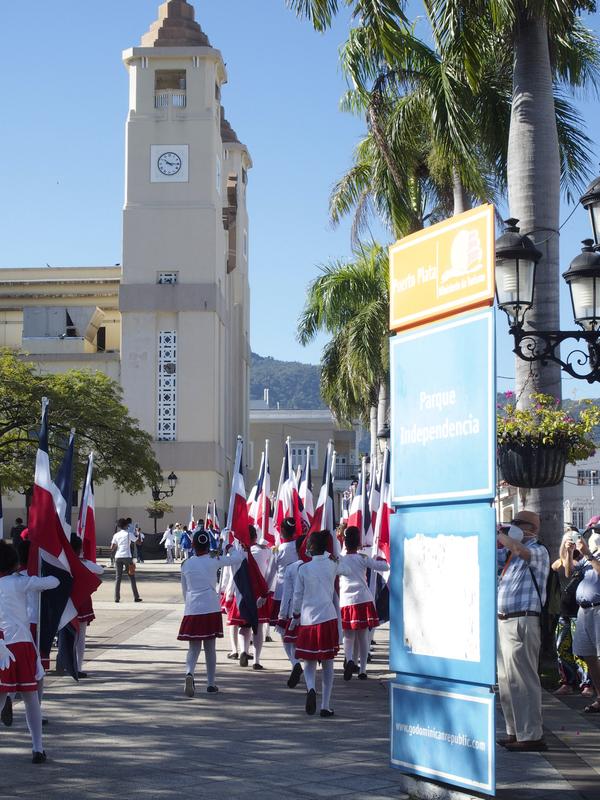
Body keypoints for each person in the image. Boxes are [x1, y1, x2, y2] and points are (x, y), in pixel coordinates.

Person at [0, 540, 59, 763]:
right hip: (22, 645)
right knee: (31, 699)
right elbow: (52, 582)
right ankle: (37, 747)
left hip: (1, 645)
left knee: (2, 695)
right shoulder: (20, 582)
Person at [496, 510, 550, 751]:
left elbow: (521, 550)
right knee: (506, 680)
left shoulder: (538, 550)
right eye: (512, 523)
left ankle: (531, 734)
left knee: (523, 679)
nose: (513, 527)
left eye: (518, 524)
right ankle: (514, 730)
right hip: (505, 621)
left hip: (523, 621)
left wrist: (499, 533)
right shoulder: (509, 554)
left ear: (533, 528)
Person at [290, 530, 352, 717]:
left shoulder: (304, 569)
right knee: (328, 663)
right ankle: (325, 705)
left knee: (308, 661)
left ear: (309, 548)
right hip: (327, 617)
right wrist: (333, 557)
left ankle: (310, 688)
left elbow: (297, 596)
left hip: (308, 618)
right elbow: (347, 571)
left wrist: (295, 614)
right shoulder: (332, 564)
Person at [179, 530, 244, 696]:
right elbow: (238, 558)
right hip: (210, 606)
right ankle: (210, 683)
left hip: (193, 607)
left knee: (193, 648)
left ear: (193, 545)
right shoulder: (214, 560)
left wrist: (190, 606)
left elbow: (184, 591)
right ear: (208, 545)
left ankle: (189, 673)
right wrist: (229, 546)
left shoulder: (186, 564)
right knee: (210, 648)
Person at [339, 526, 389, 681]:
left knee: (348, 636)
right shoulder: (363, 558)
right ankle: (363, 670)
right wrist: (382, 556)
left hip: (347, 601)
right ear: (358, 543)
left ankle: (349, 659)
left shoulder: (340, 560)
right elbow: (384, 566)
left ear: (345, 543)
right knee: (363, 637)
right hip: (364, 599)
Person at [551, 530, 593, 697]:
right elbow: (566, 571)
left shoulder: (586, 562)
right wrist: (567, 552)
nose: (572, 542)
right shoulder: (559, 562)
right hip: (563, 613)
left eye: (575, 539)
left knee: (581, 651)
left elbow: (573, 569)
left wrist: (579, 549)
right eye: (568, 540)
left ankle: (587, 684)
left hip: (579, 613)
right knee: (562, 648)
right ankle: (567, 682)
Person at [565, 531, 600, 713]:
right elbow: (568, 571)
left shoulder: (592, 556)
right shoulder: (588, 557)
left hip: (598, 609)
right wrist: (569, 552)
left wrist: (588, 554)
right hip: (583, 611)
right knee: (588, 656)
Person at [69, 534, 104, 677]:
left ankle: (67, 663)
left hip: (66, 602)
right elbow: (100, 570)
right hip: (81, 602)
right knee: (80, 636)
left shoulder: (62, 562)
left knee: (66, 635)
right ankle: (78, 666)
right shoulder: (83, 563)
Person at [277, 535, 306, 688]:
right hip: (312, 611)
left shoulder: (292, 568)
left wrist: (282, 614)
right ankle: (305, 674)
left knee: (287, 640)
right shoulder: (317, 566)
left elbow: (287, 594)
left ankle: (295, 663)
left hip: (294, 610)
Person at [249, 526, 273, 670]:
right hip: (260, 590)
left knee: (244, 626)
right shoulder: (265, 550)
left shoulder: (241, 552)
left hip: (245, 592)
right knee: (257, 628)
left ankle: (243, 651)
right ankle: (256, 659)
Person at [111, 518, 142, 603]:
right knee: (132, 576)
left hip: (118, 557)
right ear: (125, 525)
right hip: (127, 557)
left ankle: (116, 598)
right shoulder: (129, 534)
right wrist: (138, 533)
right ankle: (136, 597)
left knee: (118, 578)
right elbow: (139, 542)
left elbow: (112, 548)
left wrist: (118, 546)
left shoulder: (116, 535)